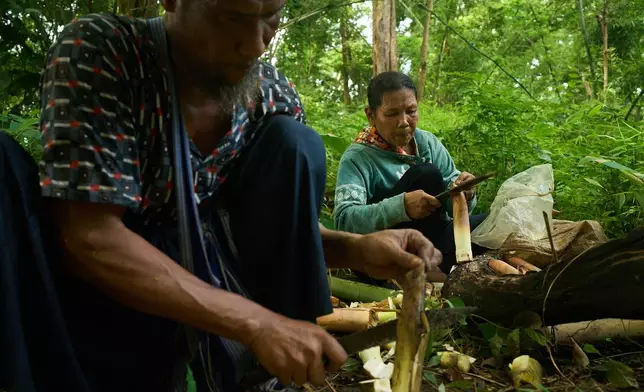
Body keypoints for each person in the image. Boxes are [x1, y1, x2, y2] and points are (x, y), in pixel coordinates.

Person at [0, 3, 444, 392]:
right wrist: (254, 323)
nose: (254, 44)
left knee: (295, 143)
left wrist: (357, 248)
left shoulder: (270, 94)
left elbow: (258, 230)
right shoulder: (106, 51)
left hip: (213, 281)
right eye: (231, 17)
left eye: (270, 18)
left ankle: (272, 372)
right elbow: (88, 236)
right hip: (97, 289)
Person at [333, 71, 488, 286]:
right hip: (388, 253)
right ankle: (417, 271)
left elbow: (455, 196)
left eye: (411, 111)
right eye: (392, 114)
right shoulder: (358, 158)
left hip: (436, 242)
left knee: (492, 224)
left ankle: (432, 267)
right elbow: (345, 221)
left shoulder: (428, 143)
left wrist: (464, 193)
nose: (404, 122)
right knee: (426, 174)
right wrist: (401, 206)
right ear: (371, 115)